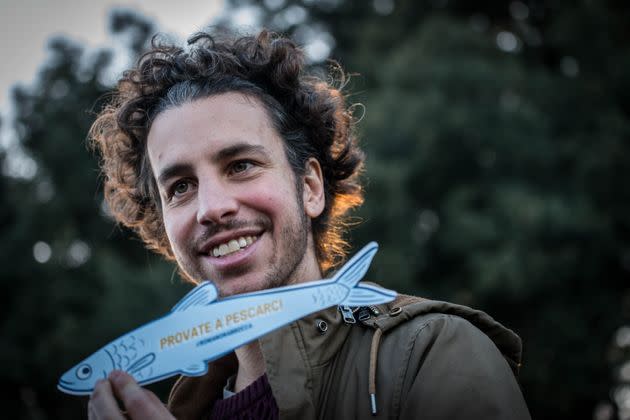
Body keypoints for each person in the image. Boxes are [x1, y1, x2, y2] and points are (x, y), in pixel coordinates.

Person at [86, 30, 531, 419]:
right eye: (180, 187)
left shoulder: (430, 356)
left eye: (241, 165)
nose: (211, 207)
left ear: (311, 188)